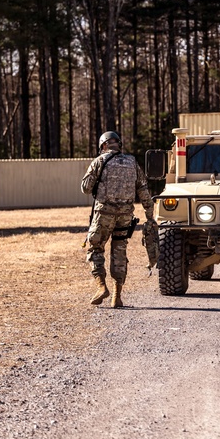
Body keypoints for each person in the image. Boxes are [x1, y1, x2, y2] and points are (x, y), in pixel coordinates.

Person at [80, 131, 156, 308]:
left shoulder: (99, 161)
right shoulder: (132, 163)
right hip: (125, 216)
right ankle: (117, 296)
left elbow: (85, 188)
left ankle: (101, 286)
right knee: (119, 251)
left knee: (95, 248)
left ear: (104, 146)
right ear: (118, 145)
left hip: (103, 214)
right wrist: (150, 216)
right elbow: (144, 191)